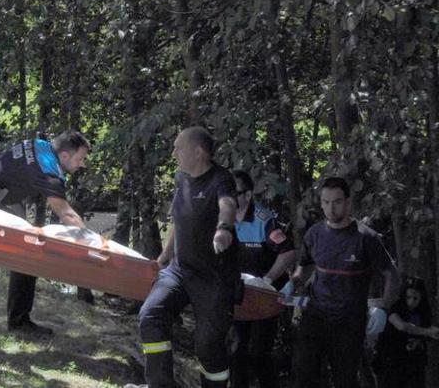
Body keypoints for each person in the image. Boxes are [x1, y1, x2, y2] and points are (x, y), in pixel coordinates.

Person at [133, 126, 239, 388]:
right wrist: (163, 257)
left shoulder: (221, 179)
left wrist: (224, 230)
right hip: (179, 271)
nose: (174, 152)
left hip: (213, 279)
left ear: (198, 151)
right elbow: (178, 221)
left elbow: (228, 206)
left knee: (208, 346)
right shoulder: (182, 179)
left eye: (179, 146)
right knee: (150, 315)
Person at [289, 177, 399, 388]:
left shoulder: (366, 237)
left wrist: (383, 308)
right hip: (315, 315)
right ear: (320, 203)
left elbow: (391, 274)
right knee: (302, 375)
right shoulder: (314, 234)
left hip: (349, 321)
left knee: (345, 380)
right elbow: (305, 265)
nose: (331, 208)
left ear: (348, 202)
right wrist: (293, 282)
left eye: (337, 201)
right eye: (326, 202)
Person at [0, 130, 90, 335]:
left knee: (27, 251)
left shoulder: (40, 144)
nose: (82, 164)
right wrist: (93, 245)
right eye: (80, 159)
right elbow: (67, 214)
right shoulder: (49, 170)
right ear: (64, 155)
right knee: (25, 254)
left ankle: (19, 321)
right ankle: (18, 323)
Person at [229, 170, 295, 388]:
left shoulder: (263, 220)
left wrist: (267, 279)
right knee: (237, 351)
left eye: (234, 193)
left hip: (266, 294)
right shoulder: (222, 220)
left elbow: (288, 252)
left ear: (247, 195)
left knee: (258, 352)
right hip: (240, 294)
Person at [372, 276, 439, 388]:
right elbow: (402, 326)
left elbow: (425, 331)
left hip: (413, 366)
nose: (411, 302)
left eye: (415, 298)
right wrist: (427, 332)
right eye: (408, 297)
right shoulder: (396, 308)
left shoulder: (423, 312)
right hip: (392, 364)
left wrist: (422, 338)